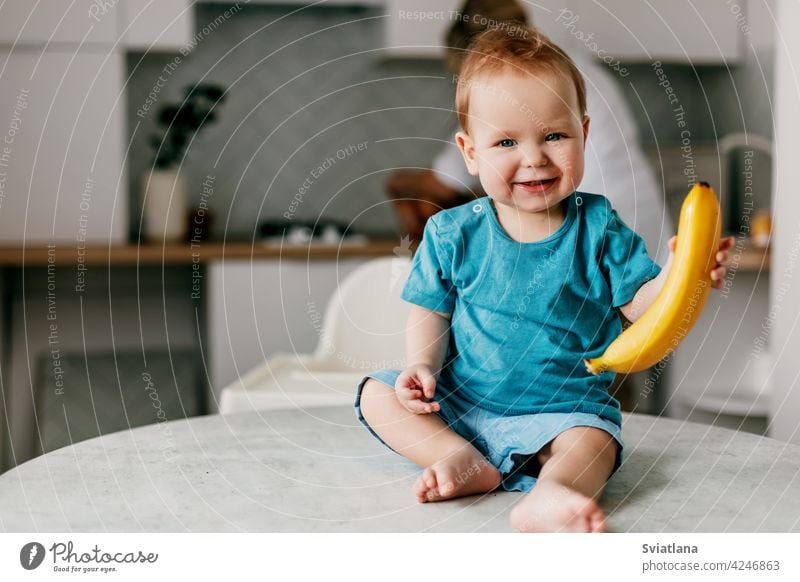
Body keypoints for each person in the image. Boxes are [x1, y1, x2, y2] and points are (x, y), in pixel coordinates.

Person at [357, 25, 734, 533]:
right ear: (470, 152)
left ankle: (555, 491)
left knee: (594, 440)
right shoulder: (451, 232)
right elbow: (430, 309)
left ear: (584, 132)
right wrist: (421, 367)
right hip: (463, 405)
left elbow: (642, 309)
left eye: (555, 135)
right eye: (507, 141)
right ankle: (459, 459)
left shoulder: (599, 227)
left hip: (563, 410)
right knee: (375, 394)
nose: (534, 156)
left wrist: (680, 276)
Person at [387, 0, 672, 266]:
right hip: (639, 222)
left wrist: (399, 182)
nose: (533, 159)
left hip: (587, 239)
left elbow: (442, 182)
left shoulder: (516, 85)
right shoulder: (566, 67)